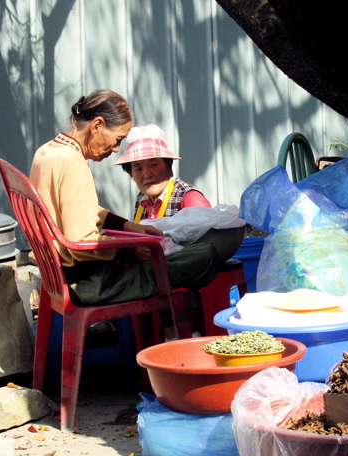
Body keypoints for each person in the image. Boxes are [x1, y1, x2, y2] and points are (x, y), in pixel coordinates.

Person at [29, 89, 218, 340]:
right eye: (118, 139)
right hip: (89, 283)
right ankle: (179, 340)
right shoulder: (73, 163)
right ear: (97, 125)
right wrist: (131, 250)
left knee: (169, 261)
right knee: (204, 256)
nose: (116, 148)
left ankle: (172, 336)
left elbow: (78, 208)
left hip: (60, 276)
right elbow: (81, 242)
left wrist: (129, 227)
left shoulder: (48, 153)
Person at [114, 124, 210, 221]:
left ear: (169, 165)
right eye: (138, 168)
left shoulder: (189, 198)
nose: (147, 175)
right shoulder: (142, 198)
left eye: (154, 165)